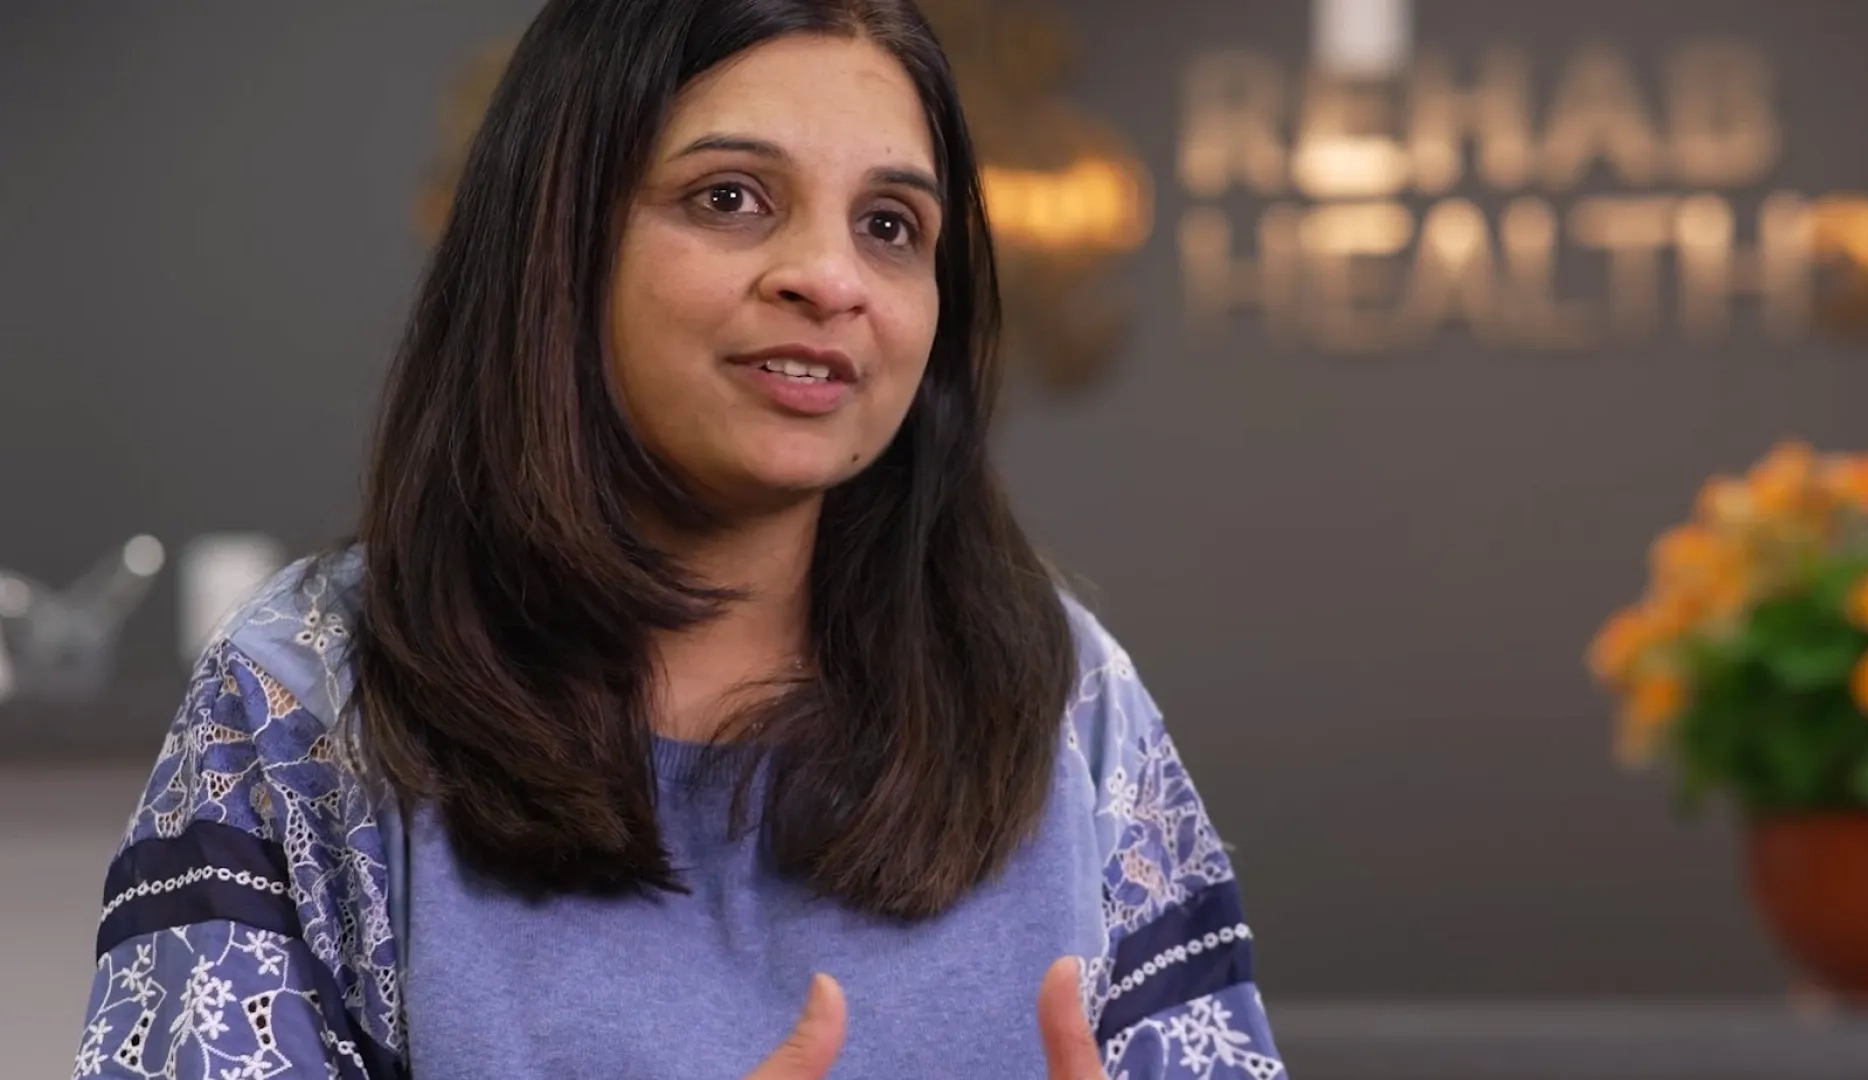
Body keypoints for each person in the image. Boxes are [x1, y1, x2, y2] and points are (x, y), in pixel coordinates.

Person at [73, 1, 1284, 1077]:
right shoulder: (313, 693)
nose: (828, 277)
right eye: (730, 199)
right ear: (559, 242)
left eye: (891, 226)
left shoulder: (1063, 694)